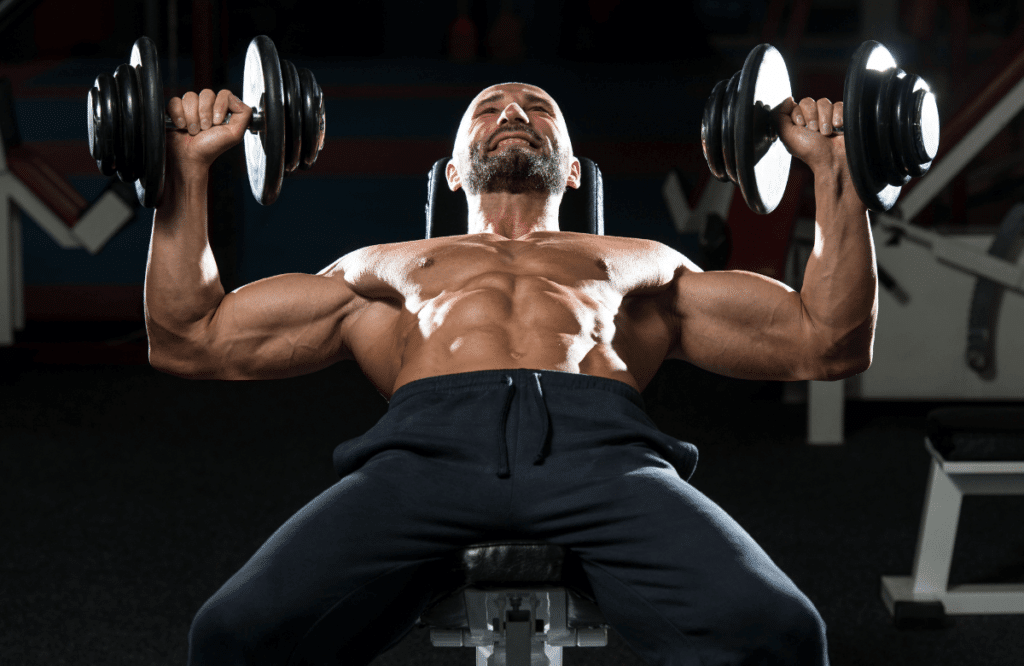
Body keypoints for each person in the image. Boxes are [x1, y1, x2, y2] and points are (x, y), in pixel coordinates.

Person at [148, 81, 874, 665]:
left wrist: (834, 168)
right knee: (231, 636)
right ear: (454, 170)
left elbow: (825, 340)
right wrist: (185, 169)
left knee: (780, 631)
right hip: (425, 455)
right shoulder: (385, 266)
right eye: (488, 109)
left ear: (575, 168)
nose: (515, 114)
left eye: (540, 109)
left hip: (603, 457)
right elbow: (192, 337)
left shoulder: (639, 261)